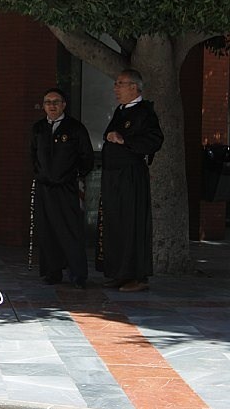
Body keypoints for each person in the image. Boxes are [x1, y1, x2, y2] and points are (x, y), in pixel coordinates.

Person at [96, 69, 164, 292]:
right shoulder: (121, 111)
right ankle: (119, 272)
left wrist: (124, 140)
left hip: (131, 177)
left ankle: (137, 275)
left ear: (134, 87)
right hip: (114, 176)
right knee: (116, 223)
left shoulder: (145, 112)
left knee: (132, 223)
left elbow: (154, 140)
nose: (115, 88)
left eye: (120, 83)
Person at [30, 88, 94, 289]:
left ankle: (77, 274)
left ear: (64, 104)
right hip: (44, 188)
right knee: (47, 230)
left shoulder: (75, 128)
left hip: (66, 188)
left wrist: (74, 176)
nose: (52, 106)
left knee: (70, 230)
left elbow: (86, 157)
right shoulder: (39, 128)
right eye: (48, 102)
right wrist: (40, 175)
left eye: (56, 102)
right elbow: (32, 156)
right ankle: (52, 272)